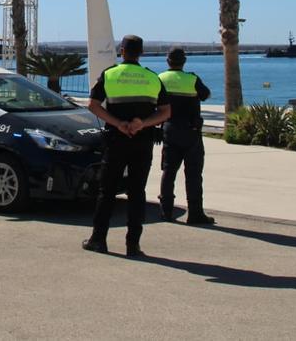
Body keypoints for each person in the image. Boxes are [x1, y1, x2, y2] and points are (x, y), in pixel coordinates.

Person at [82, 35, 171, 257]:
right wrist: (143, 123)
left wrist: (118, 123)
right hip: (142, 141)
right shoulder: (152, 77)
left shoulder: (110, 75)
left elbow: (93, 105)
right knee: (137, 192)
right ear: (141, 52)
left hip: (116, 139)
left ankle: (98, 239)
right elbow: (166, 112)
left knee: (107, 190)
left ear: (122, 51)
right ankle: (133, 245)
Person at [157, 47, 214, 225]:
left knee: (168, 171)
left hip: (168, 129)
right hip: (191, 132)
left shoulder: (160, 79)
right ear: (184, 62)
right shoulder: (192, 79)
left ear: (167, 61)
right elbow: (207, 95)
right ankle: (195, 213)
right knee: (194, 174)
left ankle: (166, 211)